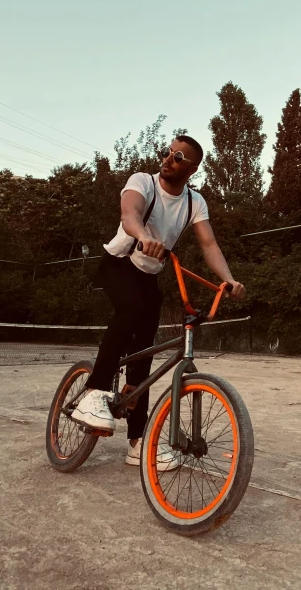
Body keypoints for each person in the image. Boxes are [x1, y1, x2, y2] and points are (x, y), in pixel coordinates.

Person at [72, 135, 246, 470]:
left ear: (192, 168)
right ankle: (94, 392)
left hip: (148, 275)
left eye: (179, 157)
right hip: (119, 262)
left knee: (145, 360)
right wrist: (144, 236)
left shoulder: (195, 202)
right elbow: (129, 214)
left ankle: (138, 443)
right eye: (169, 152)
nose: (169, 159)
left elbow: (209, 244)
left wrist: (228, 279)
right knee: (131, 309)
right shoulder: (143, 182)